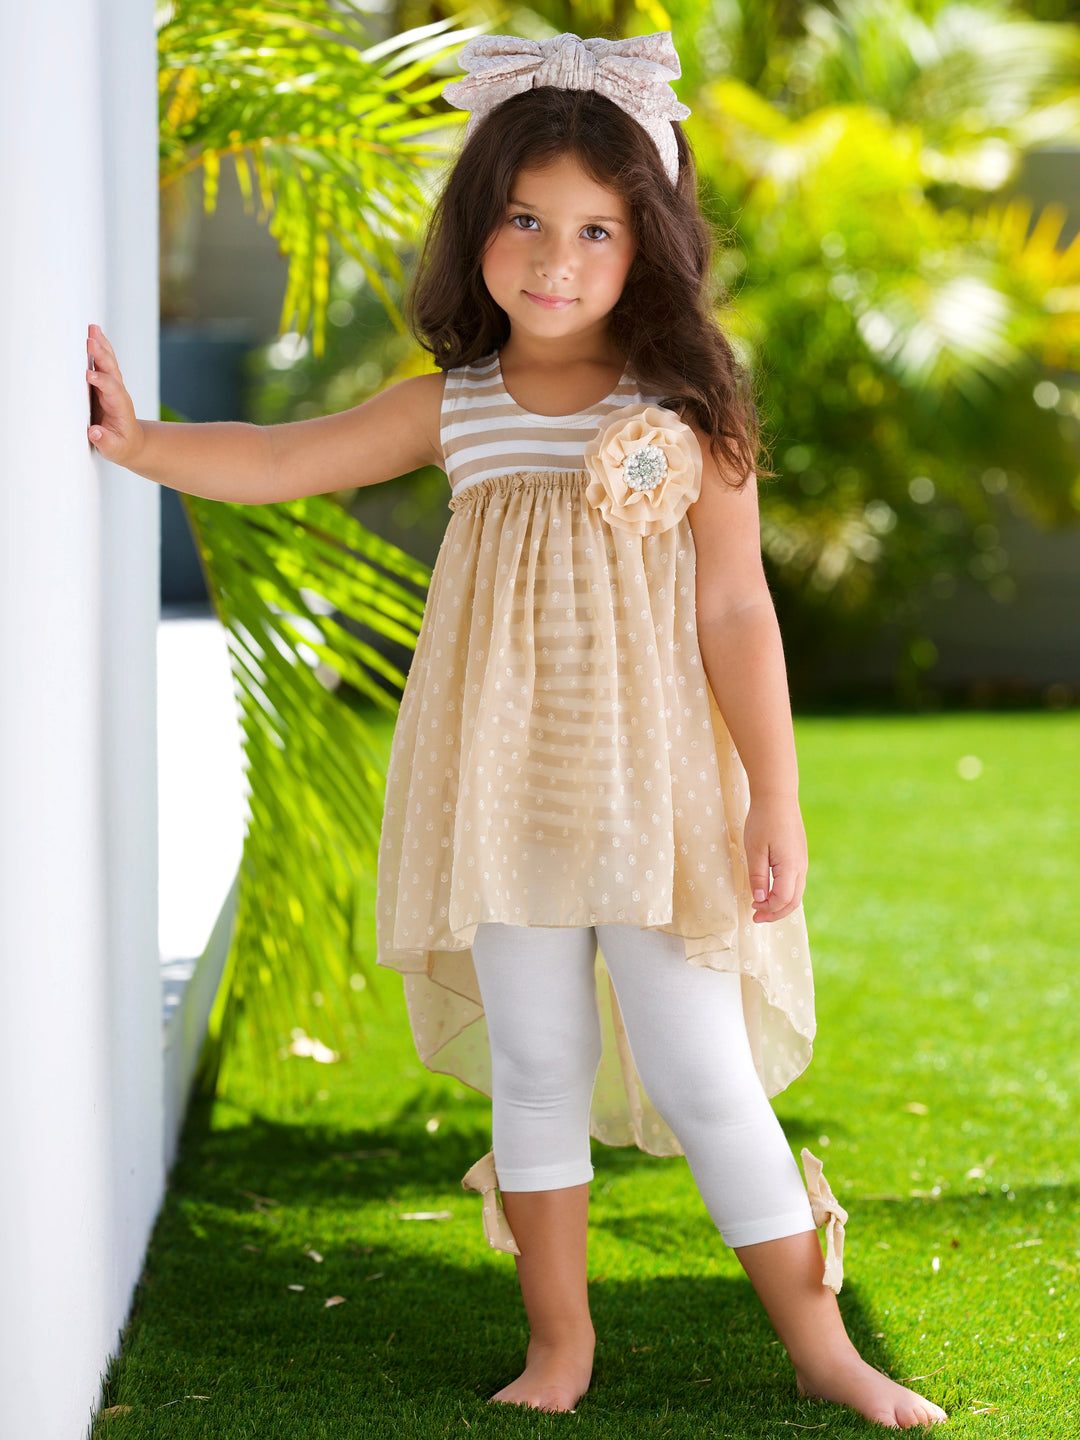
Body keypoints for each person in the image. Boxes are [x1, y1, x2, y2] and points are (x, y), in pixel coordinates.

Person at [85, 29, 947, 1430]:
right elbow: (284, 457)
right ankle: (560, 1346)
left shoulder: (688, 408)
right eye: (525, 219)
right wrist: (140, 444)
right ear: (476, 226)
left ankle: (823, 1348)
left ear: (648, 242)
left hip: (657, 796)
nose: (556, 258)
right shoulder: (458, 406)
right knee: (538, 1068)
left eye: (597, 229)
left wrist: (773, 795)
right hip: (504, 794)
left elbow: (738, 609)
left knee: (704, 1072)